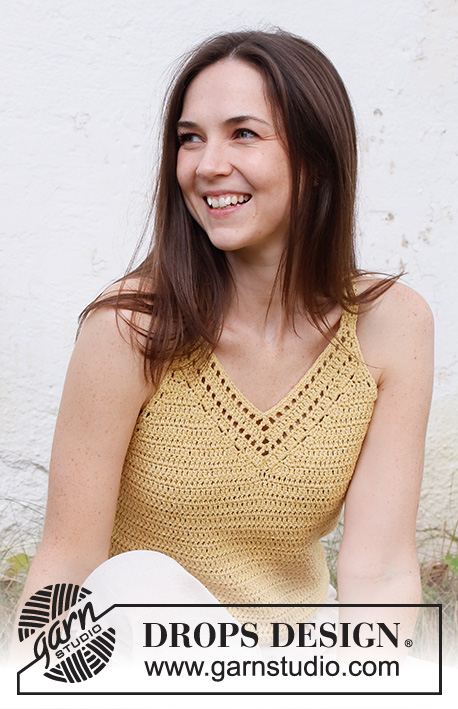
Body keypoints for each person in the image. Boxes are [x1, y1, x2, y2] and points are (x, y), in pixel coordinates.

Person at [15, 29, 433, 656]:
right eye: (190, 138)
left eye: (243, 133)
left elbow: (382, 572)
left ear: (316, 158)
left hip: (290, 667)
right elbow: (68, 564)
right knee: (139, 581)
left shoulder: (391, 326)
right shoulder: (129, 329)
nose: (207, 165)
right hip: (143, 657)